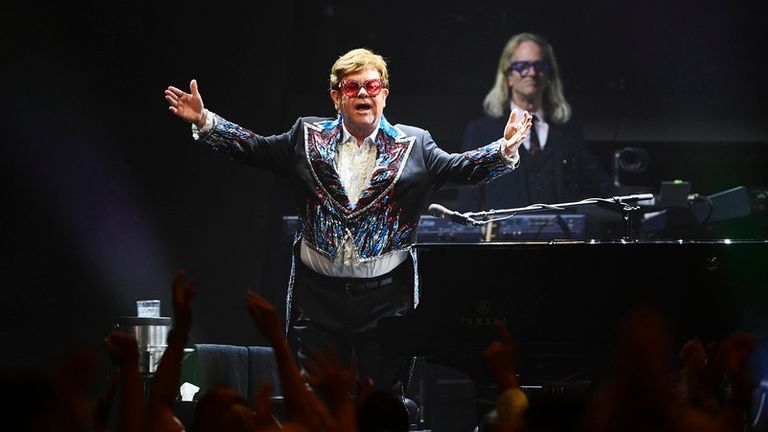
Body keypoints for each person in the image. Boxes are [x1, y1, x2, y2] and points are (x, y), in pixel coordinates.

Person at [164, 47, 532, 395]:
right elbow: (255, 148)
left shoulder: (415, 145)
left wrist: (505, 149)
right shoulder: (305, 138)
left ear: (384, 94)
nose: (363, 94)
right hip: (318, 299)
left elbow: (460, 168)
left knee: (384, 401)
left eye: (372, 85)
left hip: (386, 301)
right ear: (336, 97)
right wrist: (206, 121)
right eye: (352, 86)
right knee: (315, 399)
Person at [458, 33, 610, 232]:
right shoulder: (481, 131)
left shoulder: (568, 131)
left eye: (539, 66)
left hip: (562, 247)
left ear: (548, 76)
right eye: (522, 67)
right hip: (502, 250)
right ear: (508, 76)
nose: (531, 73)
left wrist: (644, 206)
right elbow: (469, 200)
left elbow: (596, 184)